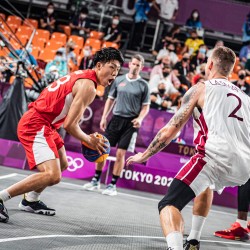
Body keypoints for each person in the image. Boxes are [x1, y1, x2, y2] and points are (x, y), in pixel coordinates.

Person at [127, 46, 250, 250]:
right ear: (231, 70)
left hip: (214, 157)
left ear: (210, 65)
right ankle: (193, 239)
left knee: (168, 204)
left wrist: (145, 155)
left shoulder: (202, 88)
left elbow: (169, 131)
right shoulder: (246, 99)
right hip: (245, 167)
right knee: (205, 184)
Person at [0, 47, 124, 223]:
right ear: (98, 65)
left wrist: (86, 137)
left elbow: (71, 121)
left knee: (63, 164)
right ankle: (2, 197)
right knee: (53, 175)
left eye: (118, 70)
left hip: (47, 124)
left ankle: (30, 199)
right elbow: (70, 126)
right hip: (36, 123)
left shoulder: (84, 76)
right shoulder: (89, 87)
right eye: (112, 67)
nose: (114, 73)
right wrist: (88, 139)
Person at [83, 54, 150, 196]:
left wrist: (140, 118)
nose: (135, 67)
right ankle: (96, 180)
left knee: (121, 154)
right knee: (103, 149)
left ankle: (112, 185)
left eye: (138, 65)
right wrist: (104, 117)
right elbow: (110, 100)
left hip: (131, 123)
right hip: (115, 119)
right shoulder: (118, 80)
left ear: (141, 67)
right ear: (129, 64)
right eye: (133, 64)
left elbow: (146, 107)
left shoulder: (144, 85)